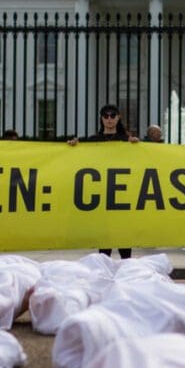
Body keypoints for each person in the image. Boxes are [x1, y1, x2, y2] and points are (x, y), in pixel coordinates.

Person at [69, 104, 140, 258]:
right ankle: (104, 269)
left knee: (123, 235)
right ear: (101, 118)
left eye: (112, 116)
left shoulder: (126, 140)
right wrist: (73, 146)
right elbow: (78, 157)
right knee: (104, 236)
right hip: (102, 190)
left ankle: (126, 268)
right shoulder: (93, 140)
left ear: (118, 117)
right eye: (105, 116)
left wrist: (136, 146)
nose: (109, 119)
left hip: (122, 191)